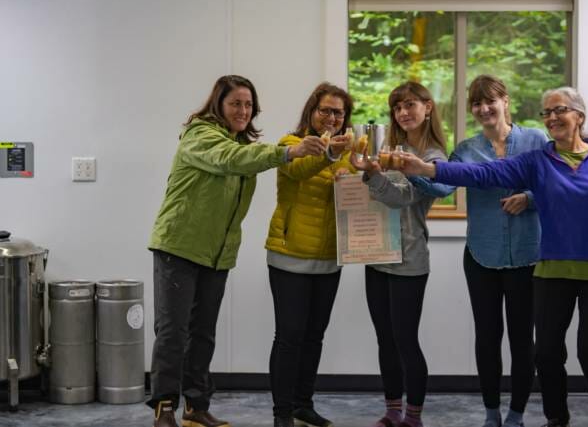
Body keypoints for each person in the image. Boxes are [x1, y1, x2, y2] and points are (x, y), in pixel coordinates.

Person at [399, 87, 588, 427]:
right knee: (546, 353)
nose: (552, 117)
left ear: (579, 116)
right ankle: (557, 419)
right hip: (553, 269)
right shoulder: (538, 161)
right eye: (546, 112)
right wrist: (427, 169)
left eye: (559, 110)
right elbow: (482, 174)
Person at [147, 75, 324, 427]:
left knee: (203, 332)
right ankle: (164, 407)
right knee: (173, 331)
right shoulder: (200, 136)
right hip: (179, 246)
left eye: (248, 105)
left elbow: (242, 157)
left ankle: (196, 407)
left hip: (217, 254)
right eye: (236, 103)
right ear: (218, 105)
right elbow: (230, 159)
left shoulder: (240, 143)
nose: (243, 110)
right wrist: (287, 151)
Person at [409, 75, 547, 427]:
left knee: (522, 340)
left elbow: (558, 183)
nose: (484, 108)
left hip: (528, 256)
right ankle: (491, 414)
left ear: (506, 100)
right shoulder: (467, 149)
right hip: (481, 256)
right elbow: (441, 185)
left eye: (490, 101)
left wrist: (529, 199)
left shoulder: (536, 139)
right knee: (487, 338)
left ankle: (516, 414)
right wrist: (409, 168)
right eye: (476, 103)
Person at [349, 81, 448, 427]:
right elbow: (366, 194)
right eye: (397, 107)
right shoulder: (387, 147)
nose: (403, 112)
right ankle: (392, 411)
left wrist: (372, 175)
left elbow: (401, 197)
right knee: (385, 339)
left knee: (406, 339)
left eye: (410, 105)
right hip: (377, 254)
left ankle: (414, 416)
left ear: (428, 108)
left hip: (409, 258)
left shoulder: (434, 157)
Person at [264, 82, 355, 427]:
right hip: (290, 255)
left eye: (339, 112)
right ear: (311, 112)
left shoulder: (348, 151)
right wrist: (329, 156)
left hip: (330, 257)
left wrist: (355, 176)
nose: (332, 117)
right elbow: (300, 169)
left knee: (314, 337)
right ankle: (282, 413)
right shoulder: (291, 144)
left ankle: (303, 404)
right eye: (325, 110)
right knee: (289, 337)